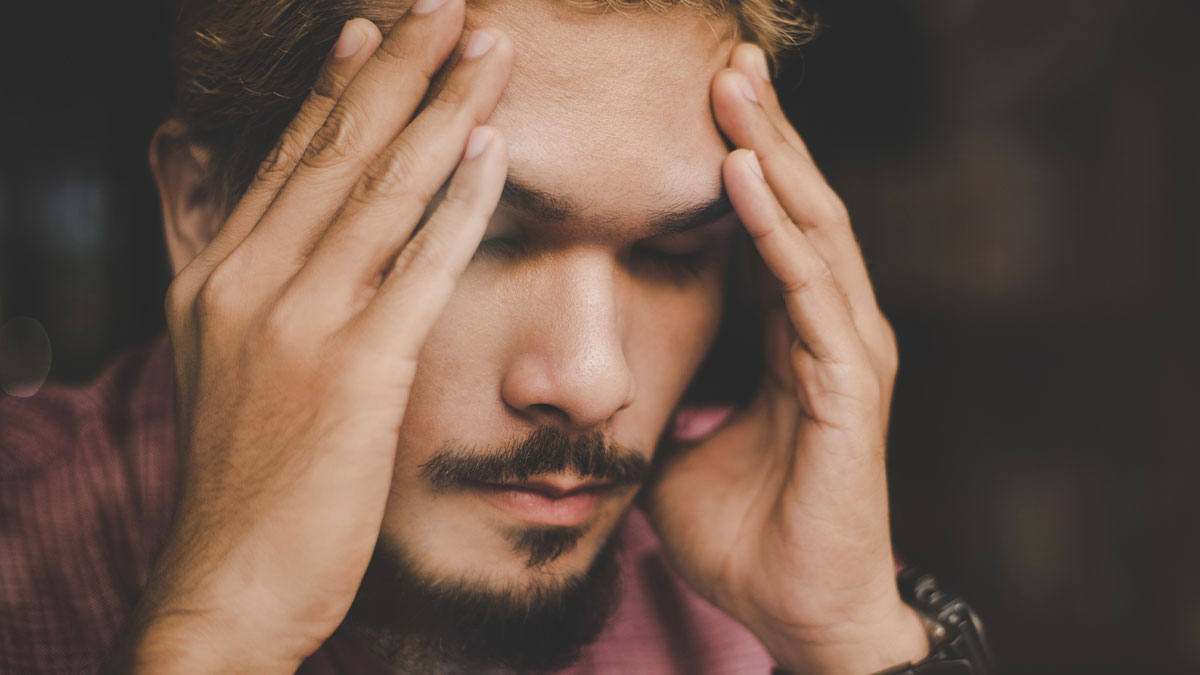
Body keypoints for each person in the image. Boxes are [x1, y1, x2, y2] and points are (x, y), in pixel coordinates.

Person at [0, 0, 994, 672]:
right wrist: (216, 636)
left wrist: (861, 638)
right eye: (469, 233)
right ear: (204, 210)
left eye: (671, 257)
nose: (594, 380)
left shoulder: (743, 599)